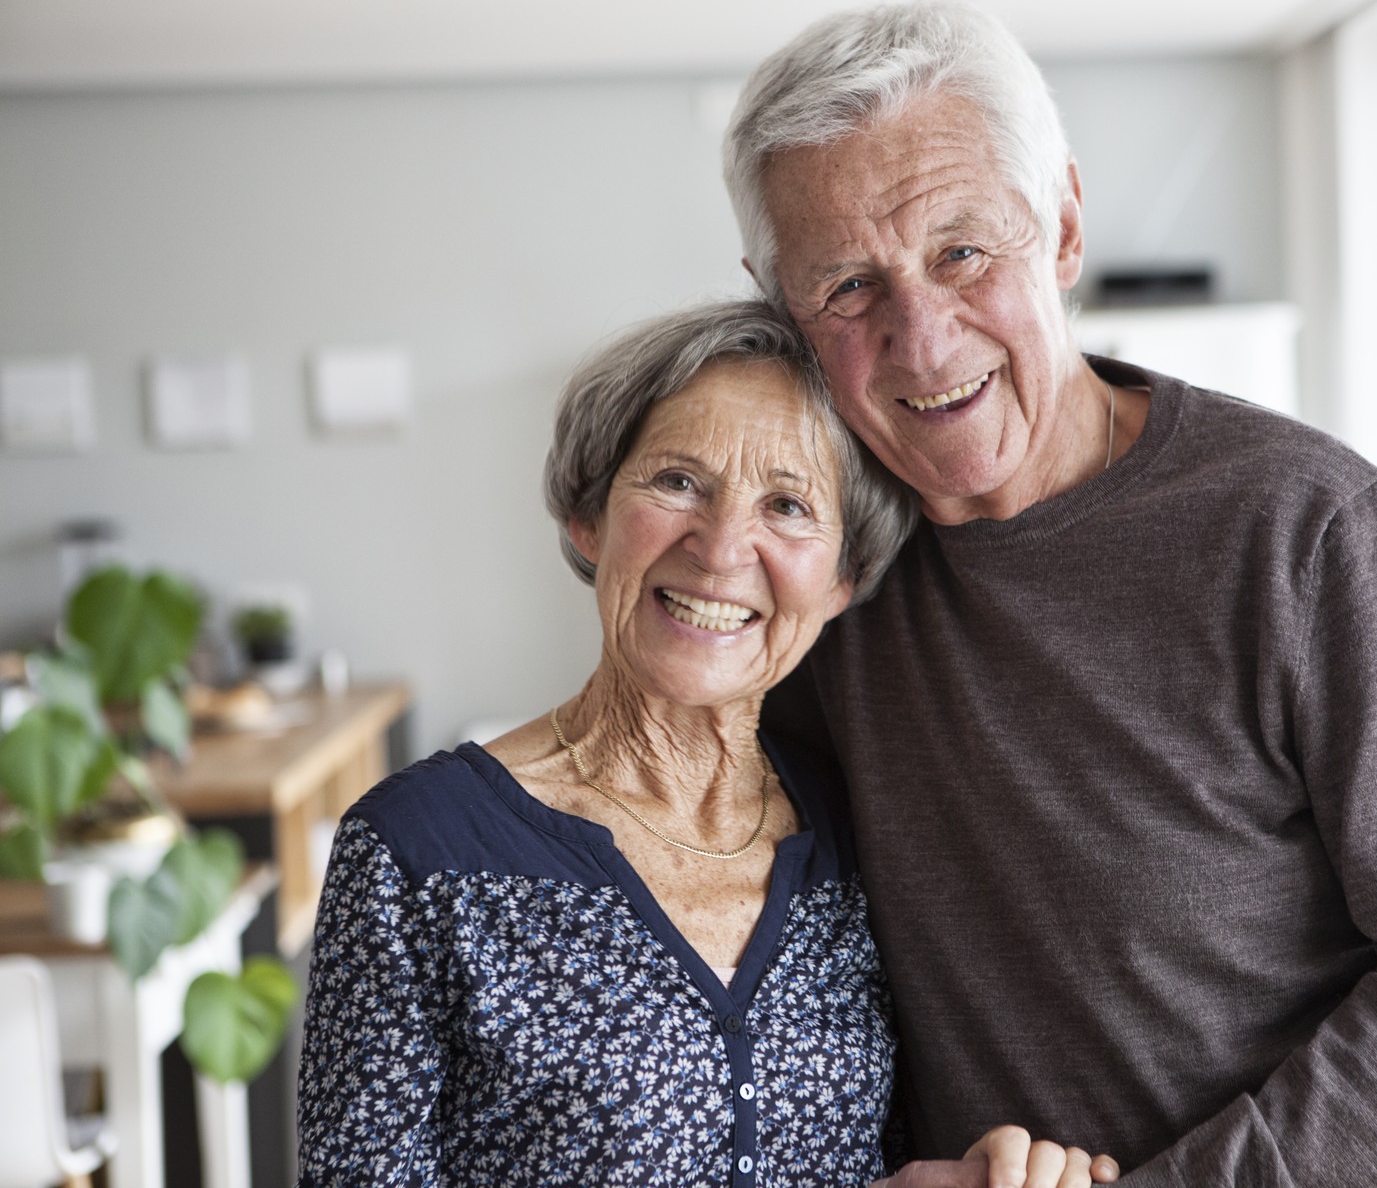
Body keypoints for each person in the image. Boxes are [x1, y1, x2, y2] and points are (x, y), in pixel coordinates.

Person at [725, 1, 1377, 1186]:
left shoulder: (1297, 522)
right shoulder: (819, 577)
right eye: (847, 287)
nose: (923, 342)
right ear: (777, 302)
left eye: (963, 252)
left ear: (1067, 226)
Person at [296, 299, 1118, 1188]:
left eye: (789, 504)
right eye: (679, 482)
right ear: (588, 517)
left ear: (844, 578)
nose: (723, 549)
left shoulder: (854, 833)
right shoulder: (414, 852)